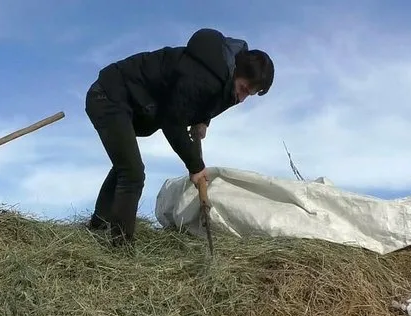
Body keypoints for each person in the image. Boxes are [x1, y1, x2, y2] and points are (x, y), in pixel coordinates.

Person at [84, 27, 274, 247]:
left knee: (125, 166)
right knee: (132, 172)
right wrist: (195, 166)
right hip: (109, 95)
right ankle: (119, 247)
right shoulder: (206, 73)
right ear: (236, 71)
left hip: (132, 104)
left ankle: (98, 226)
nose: (241, 99)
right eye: (242, 89)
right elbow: (172, 122)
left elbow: (206, 101)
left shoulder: (226, 81)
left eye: (248, 95)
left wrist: (203, 120)